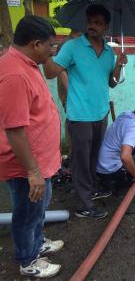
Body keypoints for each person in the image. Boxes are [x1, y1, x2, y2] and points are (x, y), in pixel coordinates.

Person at [43, 4, 127, 219]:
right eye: (90, 22)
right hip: (79, 114)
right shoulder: (72, 47)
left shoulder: (109, 52)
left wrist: (119, 65)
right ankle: (83, 203)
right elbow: (51, 73)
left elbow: (112, 83)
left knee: (93, 157)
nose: (92, 26)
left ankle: (89, 190)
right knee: (80, 160)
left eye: (98, 23)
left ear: (106, 26)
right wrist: (48, 54)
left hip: (101, 114)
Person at [0, 16, 63, 278]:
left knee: (39, 205)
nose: (53, 50)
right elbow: (14, 130)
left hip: (40, 159)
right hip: (26, 164)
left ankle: (37, 243)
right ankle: (28, 260)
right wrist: (33, 171)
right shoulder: (14, 74)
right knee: (26, 214)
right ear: (36, 44)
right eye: (51, 45)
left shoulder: (27, 62)